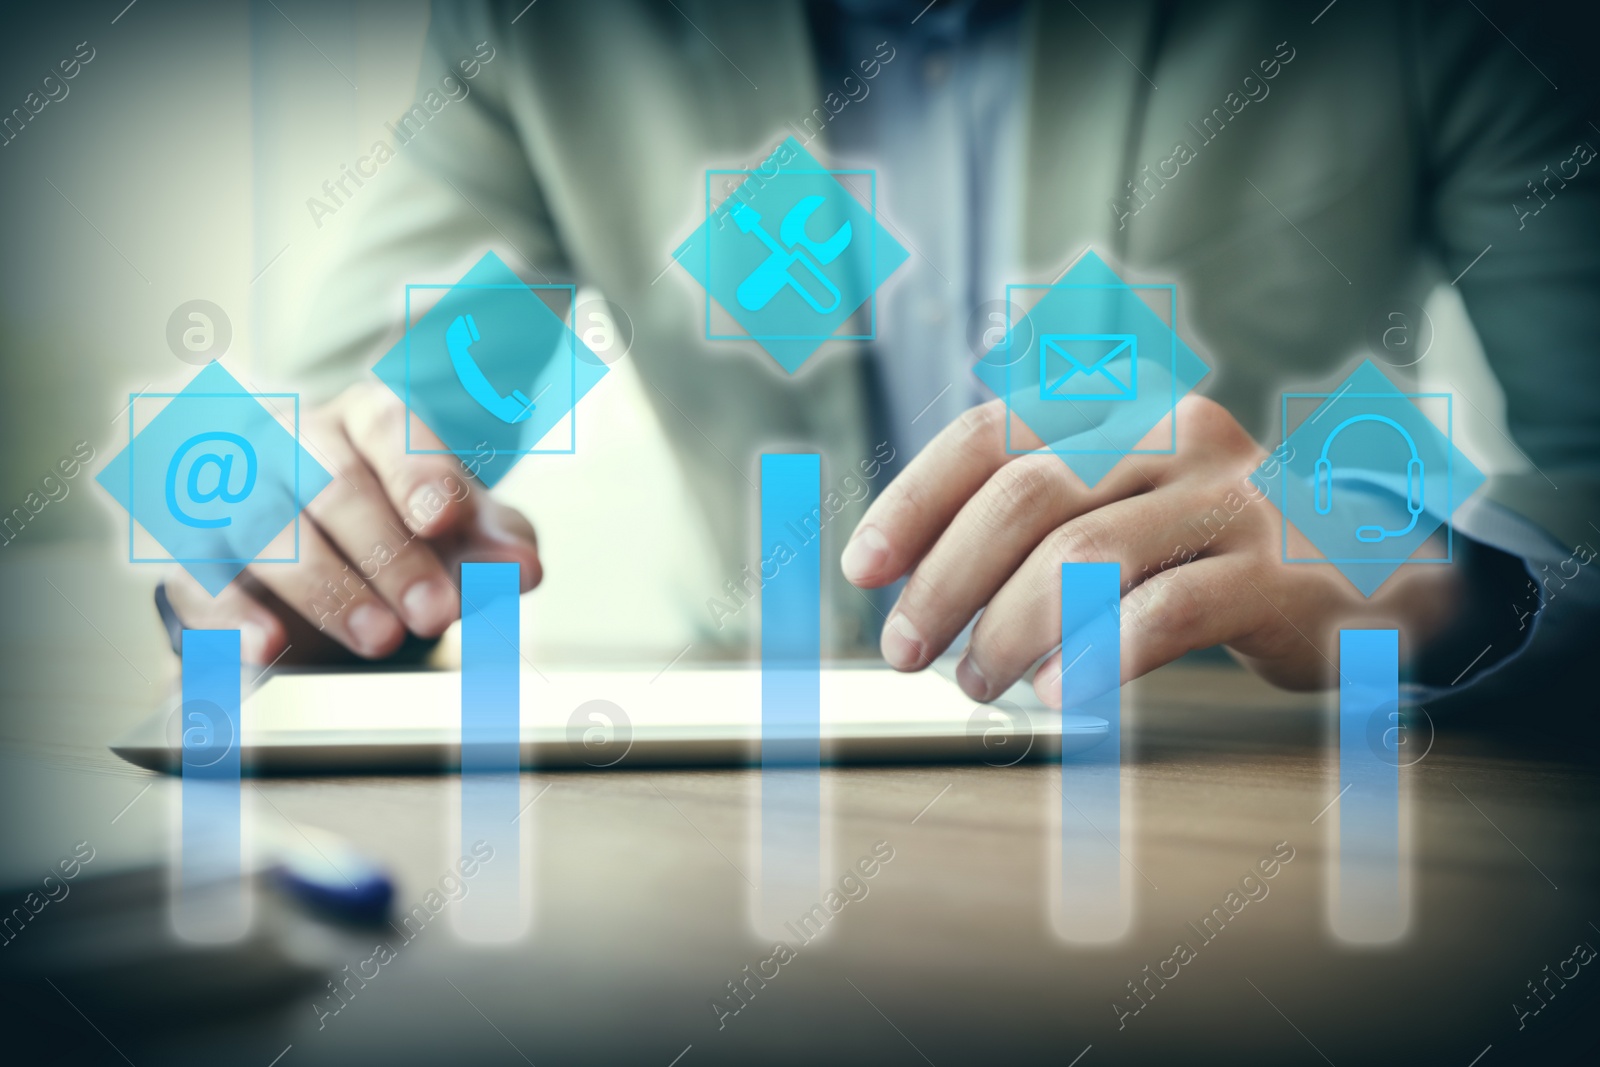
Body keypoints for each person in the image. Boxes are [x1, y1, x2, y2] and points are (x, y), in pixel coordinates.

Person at [159, 0, 1600, 715]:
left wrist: (1439, 585)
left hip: (1246, 818)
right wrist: (298, 541)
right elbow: (358, 436)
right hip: (745, 850)